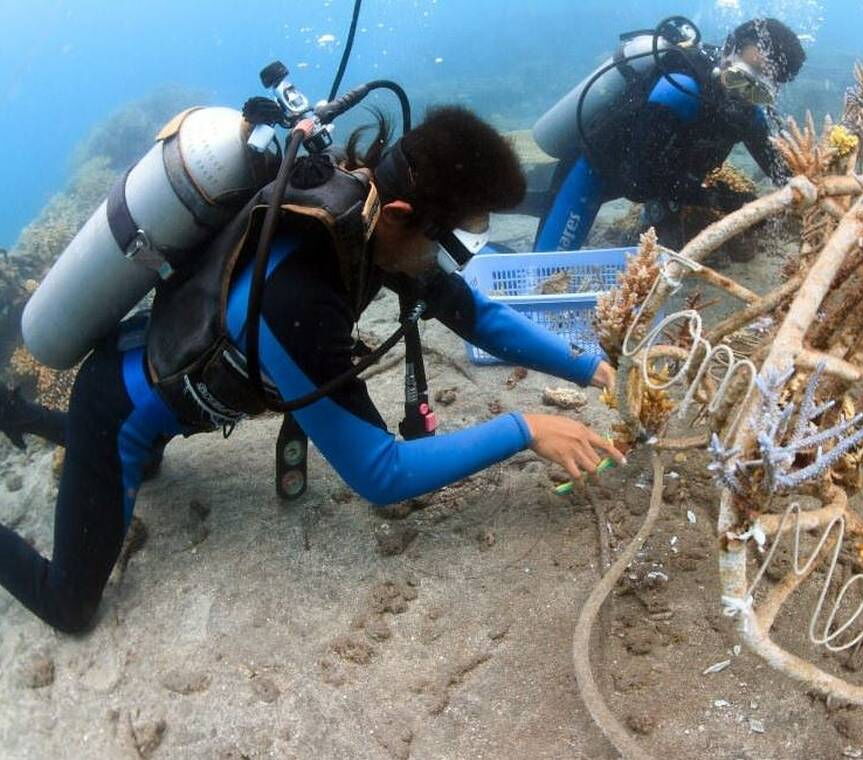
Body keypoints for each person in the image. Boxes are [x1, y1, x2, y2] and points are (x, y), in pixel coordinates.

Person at [0, 106, 624, 634]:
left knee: (153, 468)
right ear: (406, 212)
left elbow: (476, 315)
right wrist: (525, 429)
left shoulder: (364, 213)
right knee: (72, 607)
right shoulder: (297, 296)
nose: (442, 259)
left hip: (166, 383)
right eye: (447, 239)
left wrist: (591, 368)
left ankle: (21, 415)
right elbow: (381, 473)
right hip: (118, 409)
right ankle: (27, 416)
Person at [530, 17, 806, 252]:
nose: (742, 95)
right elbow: (638, 183)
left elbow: (783, 172)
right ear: (728, 51)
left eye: (758, 90)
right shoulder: (677, 90)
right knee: (545, 272)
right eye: (740, 76)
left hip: (660, 184)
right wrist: (719, 199)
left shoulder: (749, 114)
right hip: (594, 174)